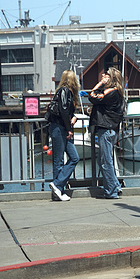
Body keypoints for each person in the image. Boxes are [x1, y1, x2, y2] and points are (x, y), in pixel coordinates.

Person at [88, 67, 125, 199]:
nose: (103, 75)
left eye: (107, 74)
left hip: (106, 129)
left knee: (105, 162)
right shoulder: (118, 92)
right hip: (111, 129)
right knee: (103, 160)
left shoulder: (110, 92)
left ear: (112, 78)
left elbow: (92, 96)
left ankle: (111, 192)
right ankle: (115, 186)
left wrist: (100, 83)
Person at [48, 70, 80, 201]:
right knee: (60, 160)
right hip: (60, 128)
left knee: (74, 157)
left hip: (60, 127)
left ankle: (57, 186)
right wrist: (69, 129)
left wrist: (73, 118)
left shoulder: (63, 91)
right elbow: (64, 110)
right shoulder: (65, 91)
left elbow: (65, 110)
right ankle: (58, 189)